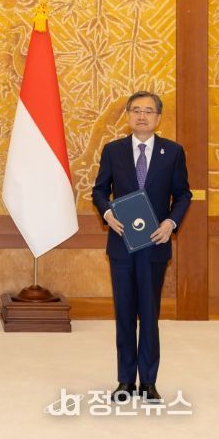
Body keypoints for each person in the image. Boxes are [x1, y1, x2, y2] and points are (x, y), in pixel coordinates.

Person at [92, 91, 191, 402]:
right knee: (124, 314)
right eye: (136, 110)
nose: (142, 116)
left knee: (149, 314)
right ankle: (125, 381)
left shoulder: (172, 152)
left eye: (148, 111)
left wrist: (170, 223)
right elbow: (99, 191)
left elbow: (183, 194)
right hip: (122, 244)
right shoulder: (113, 150)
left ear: (158, 117)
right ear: (128, 115)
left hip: (155, 244)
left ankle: (148, 381)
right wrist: (107, 214)